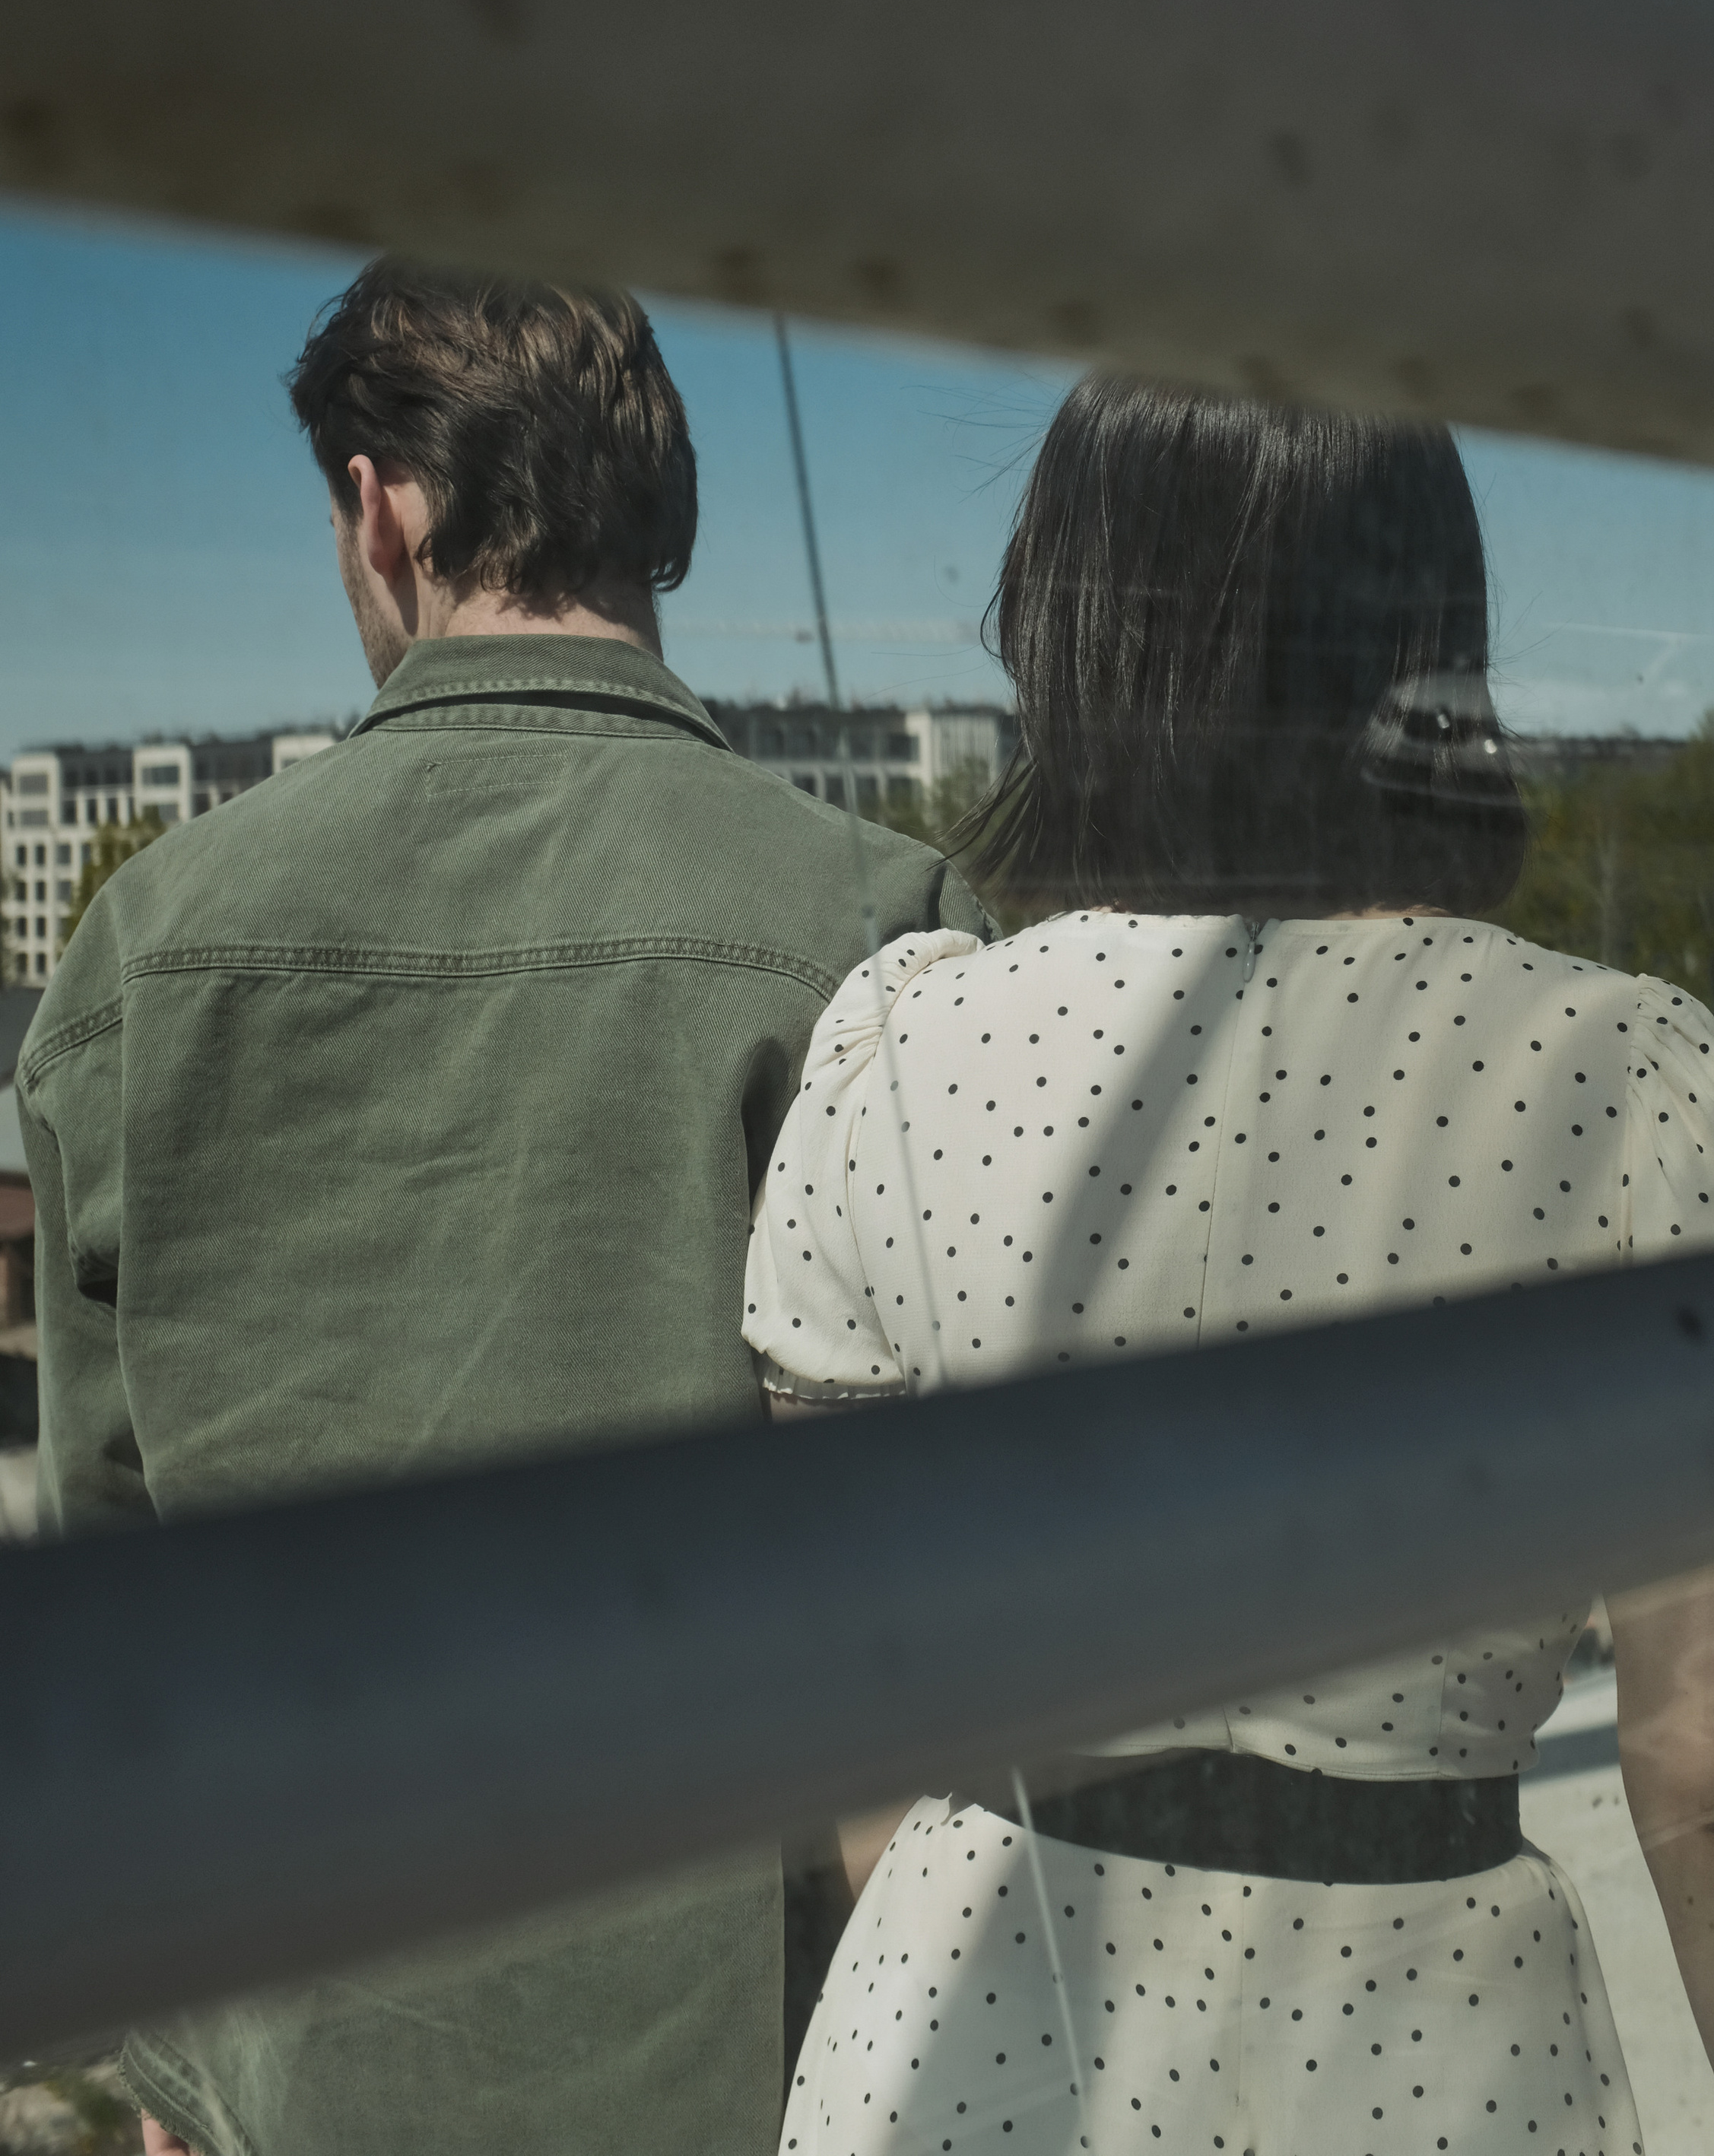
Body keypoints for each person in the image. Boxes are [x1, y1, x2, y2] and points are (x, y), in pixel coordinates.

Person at [744, 378, 1714, 2156]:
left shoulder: (902, 1046)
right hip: (1425, 2056)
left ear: (1067, 620)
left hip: (966, 2038)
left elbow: (858, 1717)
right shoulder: (1614, 1077)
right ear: (1427, 638)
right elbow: (1713, 1763)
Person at [17, 260, 989, 2156]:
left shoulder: (144, 945)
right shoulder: (876, 926)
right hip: (761, 2062)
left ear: (381, 508)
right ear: (660, 511)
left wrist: (169, 2063)